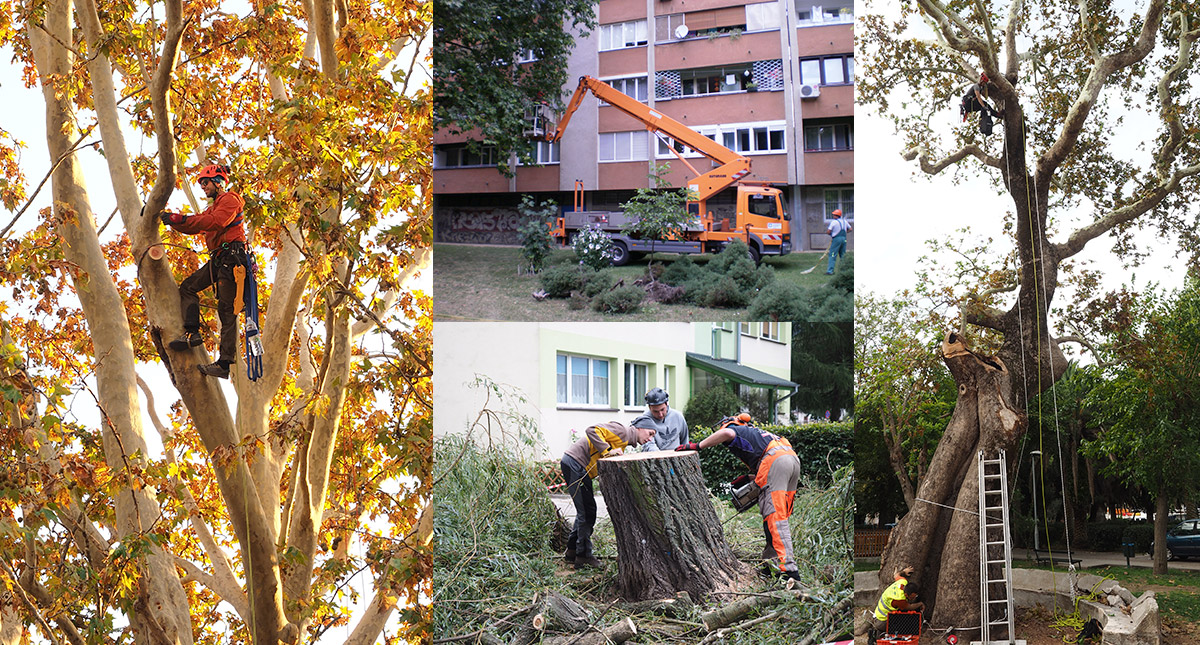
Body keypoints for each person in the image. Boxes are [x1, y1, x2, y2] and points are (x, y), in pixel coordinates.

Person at [675, 414, 800, 580]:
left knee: (775, 518)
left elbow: (727, 434)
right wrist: (750, 479)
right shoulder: (759, 434)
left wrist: (698, 446)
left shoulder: (735, 429)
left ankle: (789, 572)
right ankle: (771, 565)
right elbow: (769, 461)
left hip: (775, 462)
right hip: (791, 459)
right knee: (777, 517)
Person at [162, 164, 247, 379]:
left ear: (219, 182)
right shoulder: (213, 207)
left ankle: (225, 363)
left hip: (232, 259)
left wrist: (179, 219)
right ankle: (192, 333)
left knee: (227, 311)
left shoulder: (230, 200)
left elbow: (214, 222)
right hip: (220, 260)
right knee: (188, 287)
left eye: (206, 183)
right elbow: (198, 225)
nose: (203, 187)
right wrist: (172, 220)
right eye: (201, 184)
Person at [561, 421, 656, 569]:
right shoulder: (622, 431)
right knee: (587, 512)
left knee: (585, 511)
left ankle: (572, 551)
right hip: (575, 463)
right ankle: (583, 555)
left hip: (576, 465)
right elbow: (591, 429)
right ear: (639, 427)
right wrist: (606, 450)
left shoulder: (624, 440)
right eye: (650, 433)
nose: (650, 438)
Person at [862, 565, 925, 641]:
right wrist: (920, 604)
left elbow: (896, 575)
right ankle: (877, 634)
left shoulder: (902, 582)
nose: (914, 598)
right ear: (906, 594)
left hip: (878, 615)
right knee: (904, 622)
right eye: (912, 597)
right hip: (882, 620)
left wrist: (904, 572)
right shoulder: (899, 599)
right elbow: (909, 607)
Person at [631, 387, 689, 451]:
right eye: (655, 411)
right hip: (655, 457)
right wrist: (661, 458)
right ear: (649, 407)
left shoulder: (678, 416)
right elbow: (649, 444)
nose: (660, 414)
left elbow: (685, 441)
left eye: (662, 409)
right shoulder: (645, 420)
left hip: (677, 458)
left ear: (666, 404)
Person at [825, 208, 851, 275]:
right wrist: (845, 232)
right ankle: (844, 270)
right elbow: (850, 229)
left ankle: (830, 271)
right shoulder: (844, 221)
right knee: (843, 254)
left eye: (833, 215)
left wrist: (831, 234)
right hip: (844, 239)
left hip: (836, 239)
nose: (833, 216)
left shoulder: (834, 222)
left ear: (836, 215)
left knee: (833, 254)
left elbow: (828, 231)